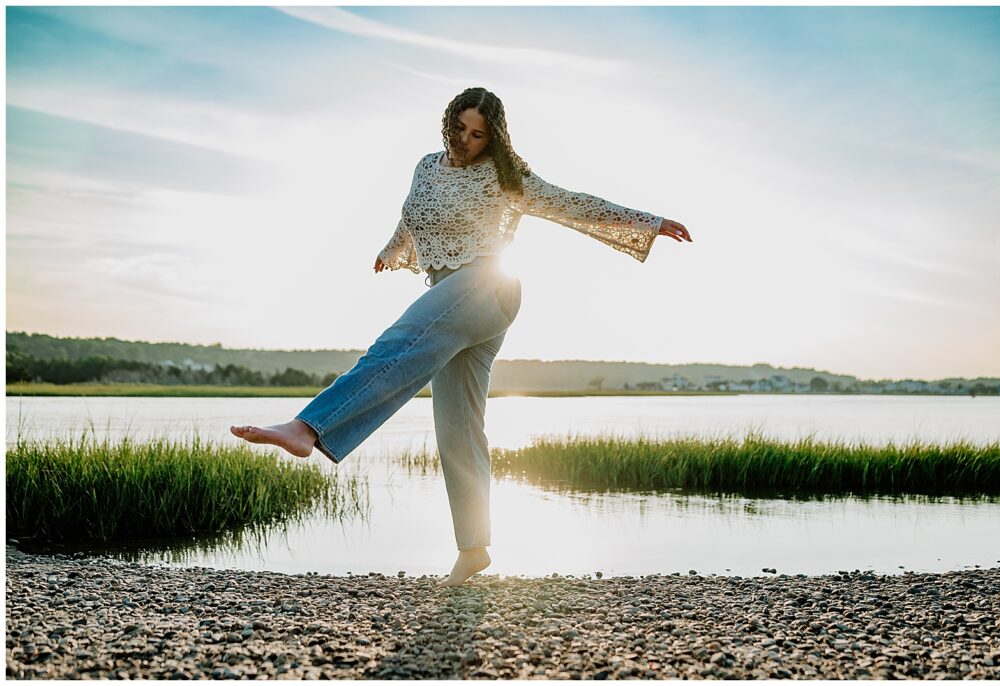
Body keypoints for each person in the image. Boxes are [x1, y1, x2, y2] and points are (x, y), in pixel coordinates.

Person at [230, 86, 693, 587]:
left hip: (487, 286)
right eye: (461, 130)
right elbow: (413, 214)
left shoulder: (505, 174)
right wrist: (392, 250)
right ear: (447, 122)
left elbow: (569, 204)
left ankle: (309, 428)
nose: (467, 141)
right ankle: (474, 549)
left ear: (492, 137)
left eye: (479, 135)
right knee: (458, 427)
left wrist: (647, 222)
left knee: (398, 343)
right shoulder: (426, 166)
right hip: (451, 293)